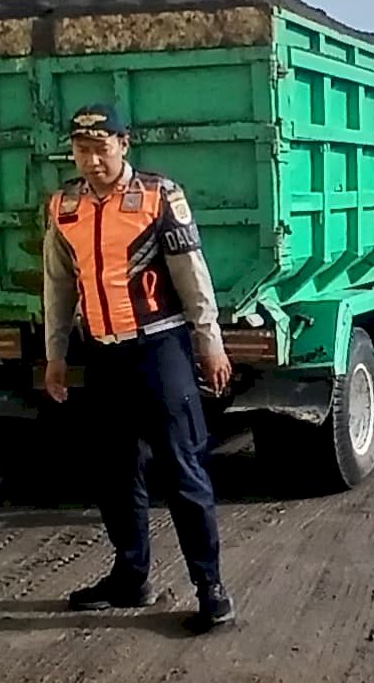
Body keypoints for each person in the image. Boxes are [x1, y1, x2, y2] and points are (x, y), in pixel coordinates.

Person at [41, 104, 238, 632]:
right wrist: (56, 357)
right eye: (82, 150)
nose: (92, 160)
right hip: (104, 356)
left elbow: (192, 276)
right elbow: (58, 288)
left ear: (124, 145)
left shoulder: (158, 198)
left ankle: (210, 587)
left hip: (160, 350)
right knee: (115, 473)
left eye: (101, 148)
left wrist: (210, 343)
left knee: (182, 469)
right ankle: (131, 577)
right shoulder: (64, 207)